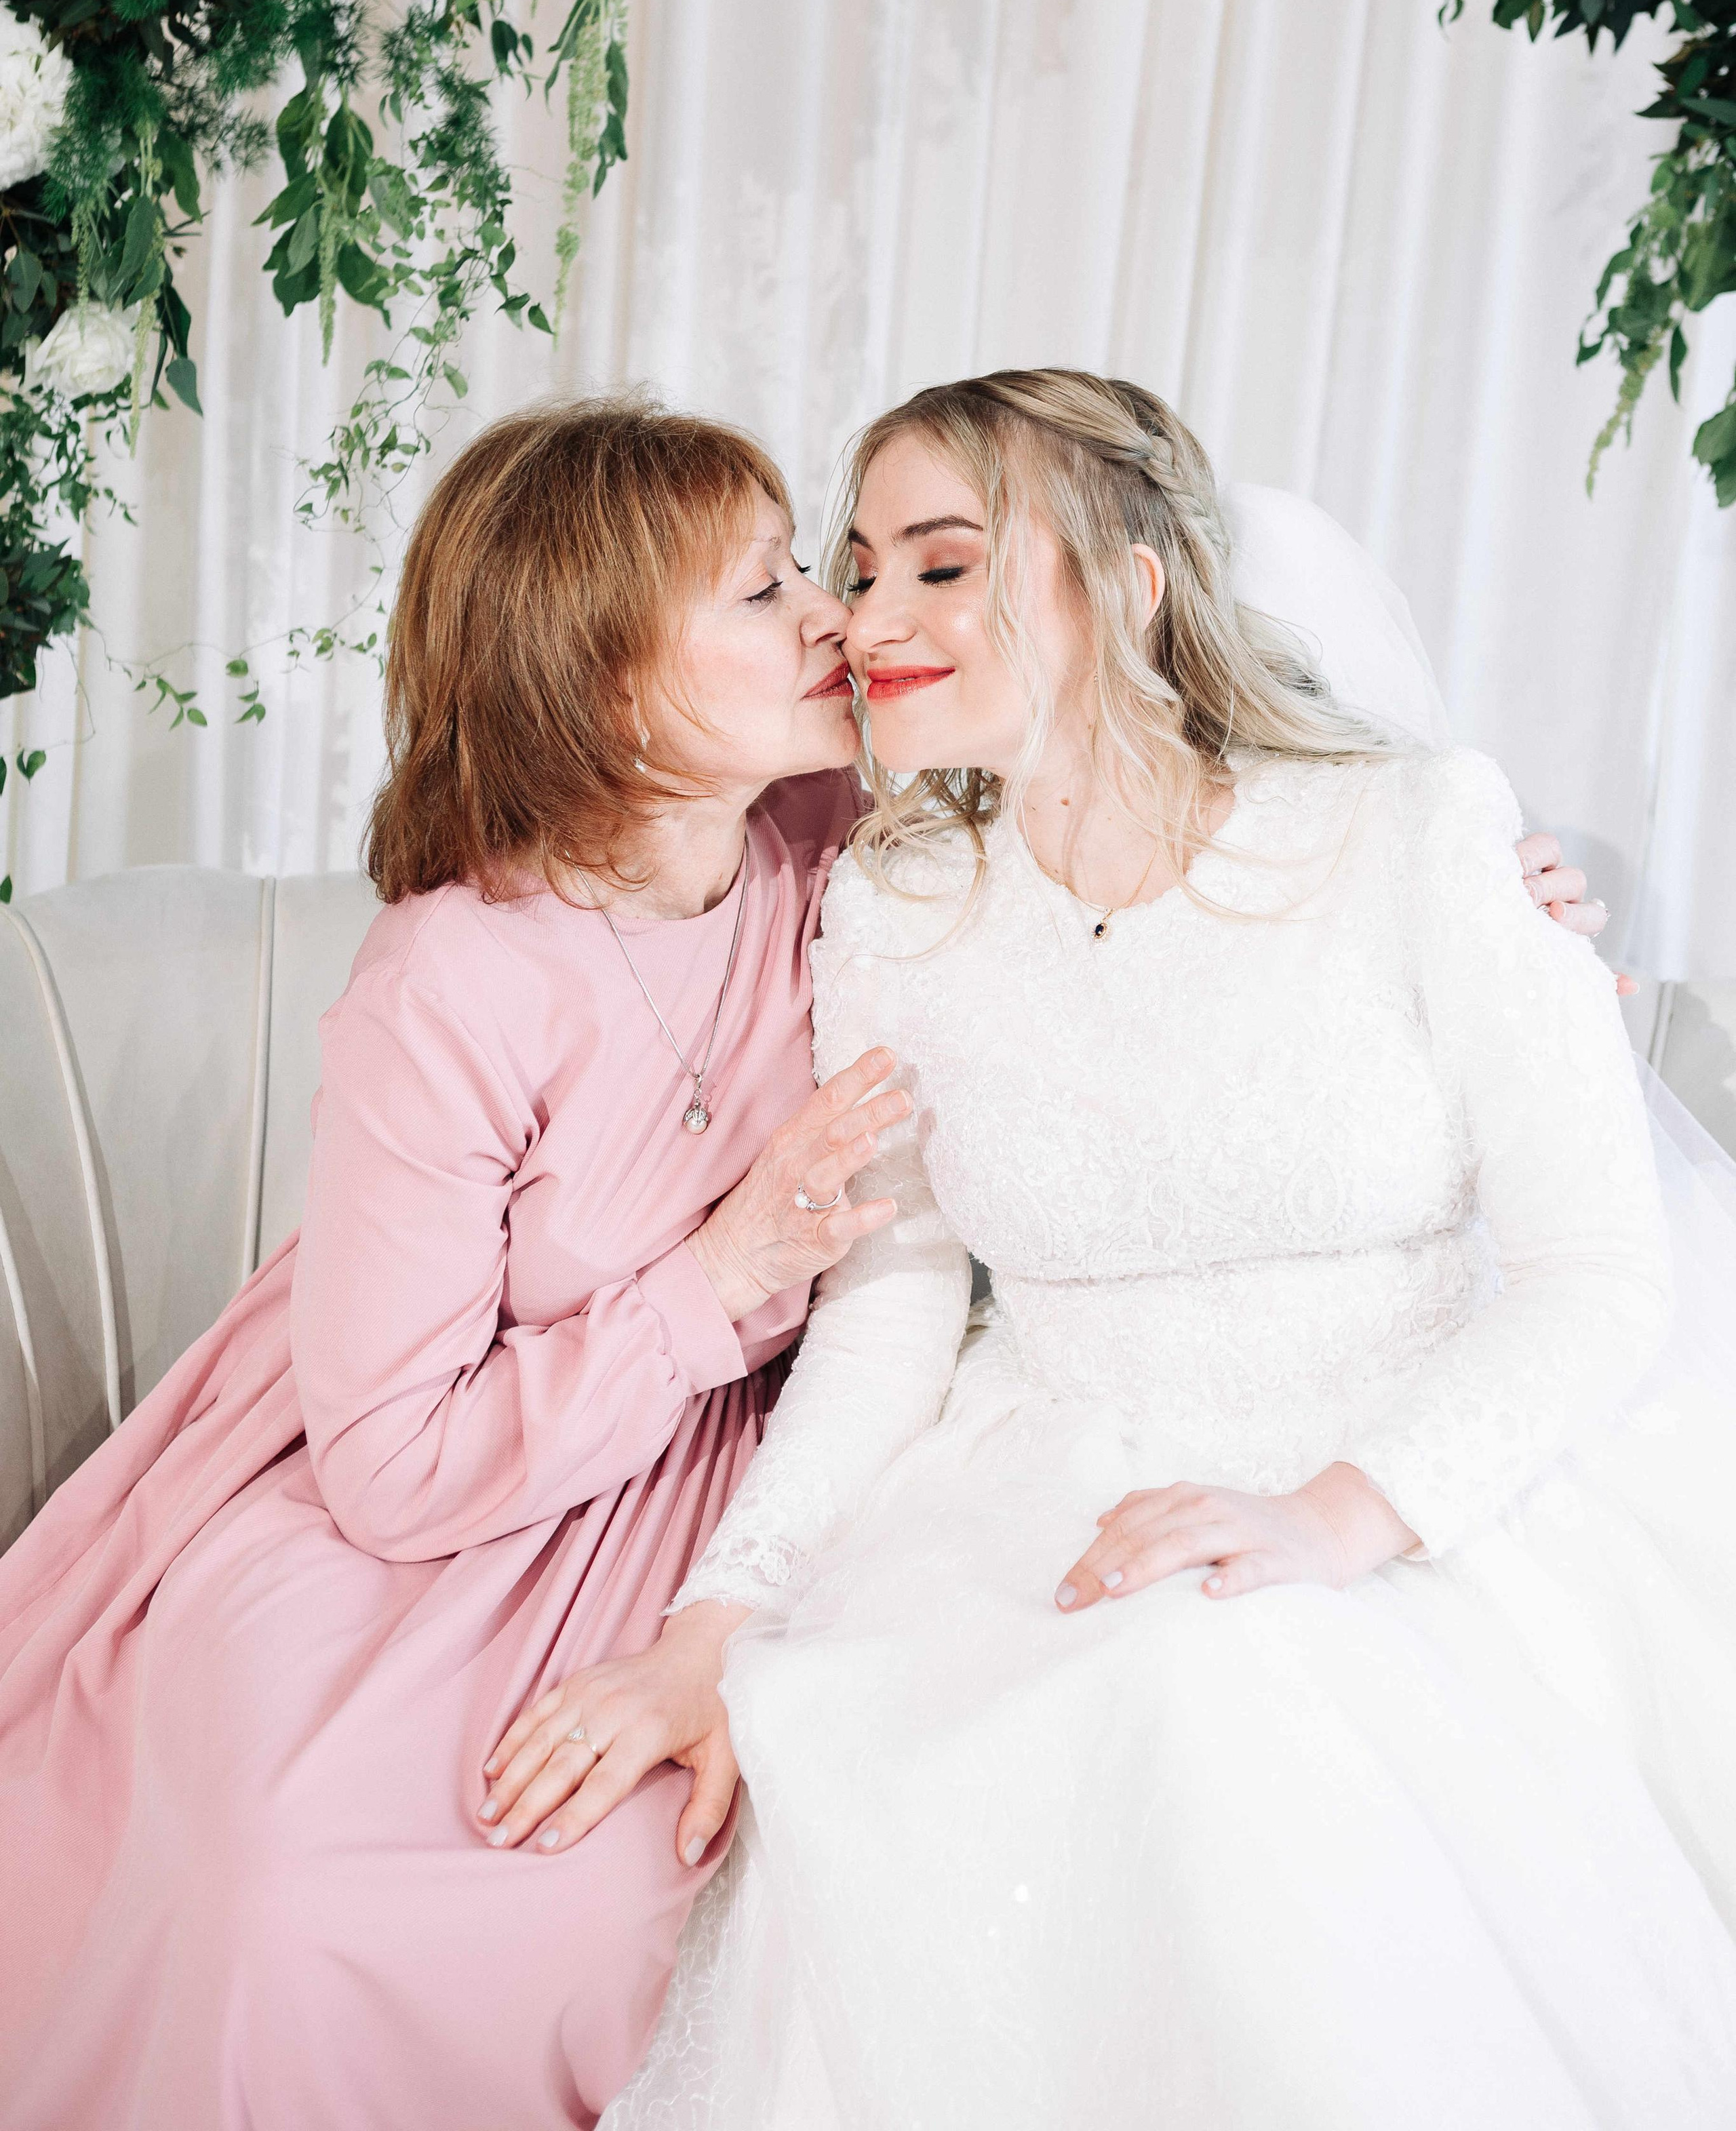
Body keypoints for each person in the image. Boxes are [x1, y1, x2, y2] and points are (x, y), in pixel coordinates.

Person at [542, 370, 1736, 2130]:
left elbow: (1595, 1273)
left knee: (1234, 1734)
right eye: (858, 566)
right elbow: (888, 1310)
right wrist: (726, 1610)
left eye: (941, 566)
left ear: (1130, 581)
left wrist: (1327, 1519)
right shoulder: (894, 903)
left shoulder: (1417, 834)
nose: (866, 619)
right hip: (1036, 1487)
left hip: (1405, 1478)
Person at [0, 401, 904, 2131]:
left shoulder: (854, 837)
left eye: (806, 566)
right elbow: (391, 1465)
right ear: (601, 679)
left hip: (724, 1497)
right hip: (410, 1490)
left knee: (633, 1903)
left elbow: (1145, 810)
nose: (825, 614)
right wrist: (711, 1283)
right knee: (284, 1893)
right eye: (759, 588)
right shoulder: (455, 978)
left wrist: (1460, 890)